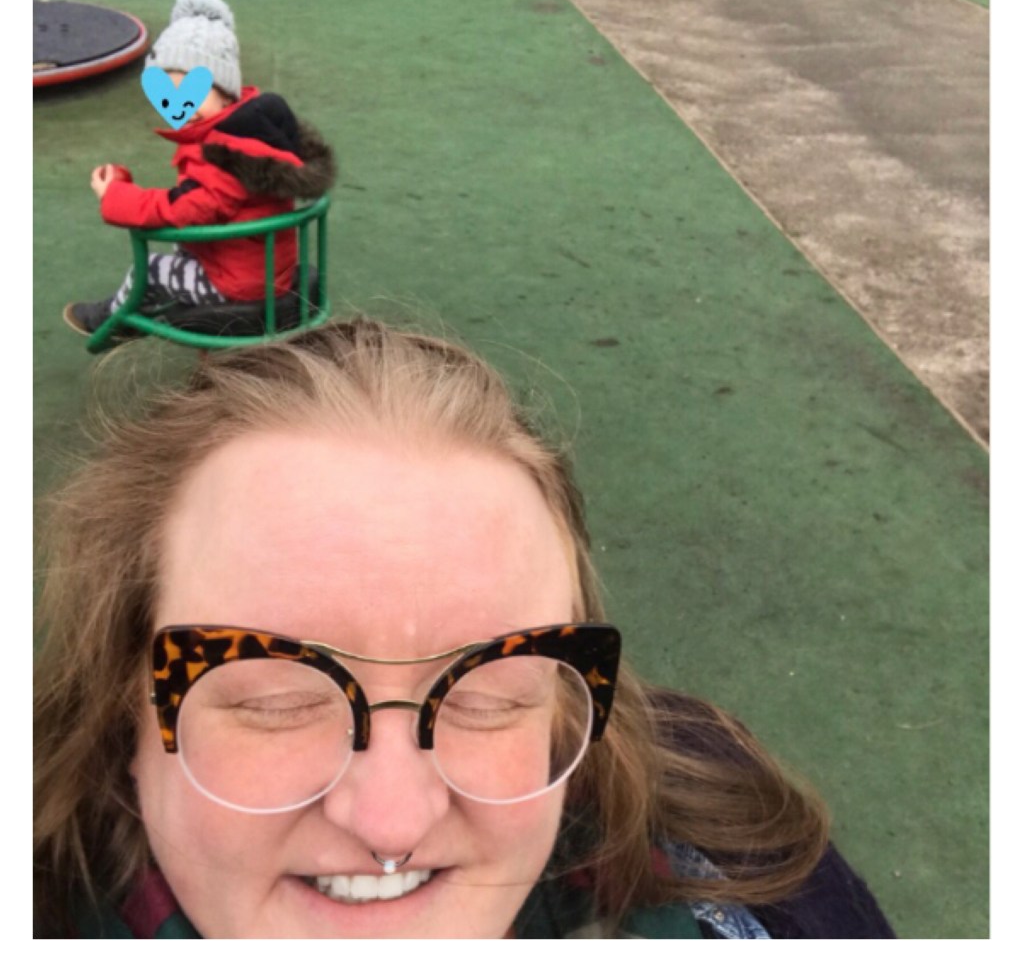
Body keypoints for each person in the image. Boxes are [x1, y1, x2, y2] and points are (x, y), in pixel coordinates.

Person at [34, 318, 894, 938]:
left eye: (493, 696)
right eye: (275, 701)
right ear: (122, 710)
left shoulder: (755, 881)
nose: (392, 821)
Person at [62, 0, 335, 336]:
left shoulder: (225, 151)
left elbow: (187, 209)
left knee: (150, 270)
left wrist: (115, 194)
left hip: (241, 283)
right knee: (182, 247)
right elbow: (201, 200)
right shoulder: (252, 131)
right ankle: (156, 307)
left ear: (225, 92)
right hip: (263, 265)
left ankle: (113, 325)